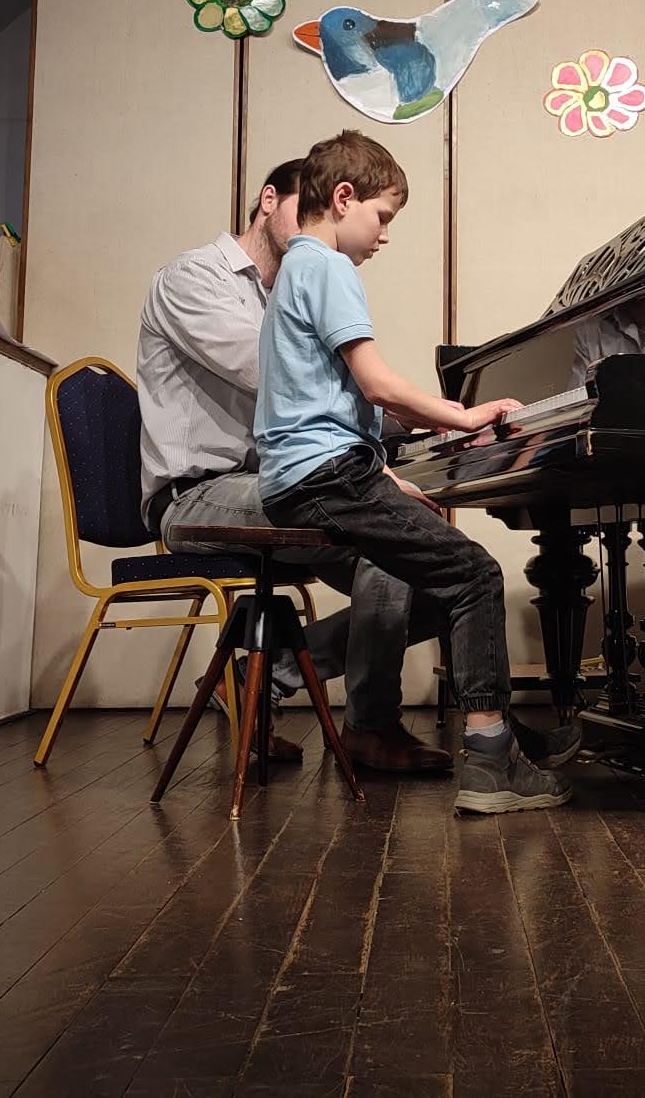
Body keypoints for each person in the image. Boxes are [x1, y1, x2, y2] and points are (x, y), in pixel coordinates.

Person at [255, 130, 579, 814]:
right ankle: (490, 763)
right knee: (476, 574)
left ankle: (502, 735)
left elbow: (328, 403)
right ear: (343, 198)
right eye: (382, 217)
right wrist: (463, 416)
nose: (384, 236)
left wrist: (382, 471)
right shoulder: (329, 268)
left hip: (307, 478)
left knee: (437, 587)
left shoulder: (293, 271)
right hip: (327, 477)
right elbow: (375, 385)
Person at [137, 157, 450, 772]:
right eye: (305, 205)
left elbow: (330, 402)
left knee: (431, 573)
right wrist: (406, 418)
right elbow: (286, 384)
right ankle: (372, 728)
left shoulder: (294, 288)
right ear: (268, 201)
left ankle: (266, 674)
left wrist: (422, 425)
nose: (317, 220)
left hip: (284, 484)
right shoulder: (192, 279)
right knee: (385, 531)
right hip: (197, 494)